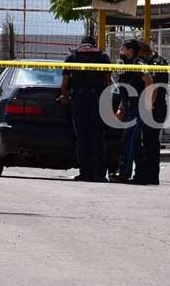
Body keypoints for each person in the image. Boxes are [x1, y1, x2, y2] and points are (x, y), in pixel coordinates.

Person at [60, 35, 112, 182]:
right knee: (98, 137)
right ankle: (99, 175)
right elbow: (108, 81)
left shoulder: (72, 58)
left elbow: (65, 82)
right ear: (94, 44)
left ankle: (85, 173)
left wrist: (64, 96)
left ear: (82, 44)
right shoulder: (102, 57)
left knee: (82, 138)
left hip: (79, 100)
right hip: (97, 100)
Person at [110, 39, 152, 183]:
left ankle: (124, 173)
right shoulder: (124, 66)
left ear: (130, 50)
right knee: (133, 141)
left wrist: (147, 103)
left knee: (129, 139)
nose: (121, 51)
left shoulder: (138, 65)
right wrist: (122, 107)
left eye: (123, 48)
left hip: (138, 104)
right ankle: (141, 175)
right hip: (128, 104)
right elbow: (124, 89)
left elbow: (149, 82)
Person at [135, 42, 168, 185]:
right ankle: (150, 176)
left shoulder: (151, 63)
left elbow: (153, 86)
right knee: (151, 142)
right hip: (158, 105)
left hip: (153, 105)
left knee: (149, 142)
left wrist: (149, 104)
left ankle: (146, 176)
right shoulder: (161, 61)